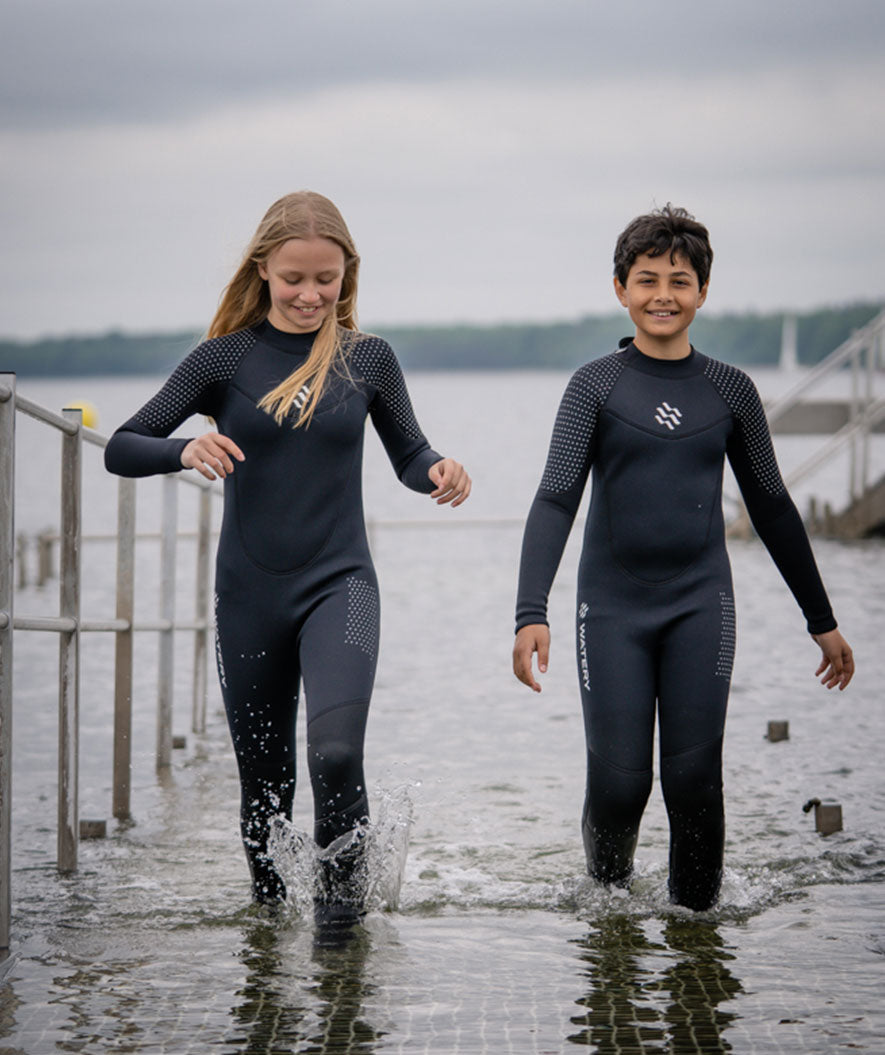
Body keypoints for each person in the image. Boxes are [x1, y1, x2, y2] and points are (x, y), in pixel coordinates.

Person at [105, 191, 471, 922]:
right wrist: (184, 449)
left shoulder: (368, 359)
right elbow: (122, 445)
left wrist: (437, 468)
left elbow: (409, 453)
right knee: (265, 788)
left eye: (326, 280)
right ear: (264, 270)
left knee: (335, 754)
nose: (310, 295)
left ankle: (341, 937)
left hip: (341, 584)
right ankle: (270, 931)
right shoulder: (223, 359)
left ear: (347, 274)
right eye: (294, 279)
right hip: (249, 596)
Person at [512, 205, 854, 911]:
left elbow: (772, 507)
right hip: (611, 608)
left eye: (679, 280)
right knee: (620, 785)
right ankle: (606, 908)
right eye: (647, 279)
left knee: (694, 782)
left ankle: (698, 930)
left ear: (702, 291)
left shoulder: (729, 390)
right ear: (620, 289)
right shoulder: (593, 386)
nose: (662, 294)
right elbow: (554, 499)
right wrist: (529, 612)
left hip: (702, 604)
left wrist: (820, 619)